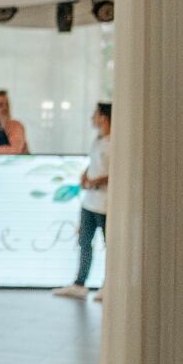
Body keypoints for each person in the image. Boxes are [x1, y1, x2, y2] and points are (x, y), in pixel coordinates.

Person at [54, 101, 111, 300]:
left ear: (104, 117)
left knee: (109, 245)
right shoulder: (97, 140)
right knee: (84, 242)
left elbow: (113, 172)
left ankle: (108, 285)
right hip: (90, 202)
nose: (92, 118)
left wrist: (97, 181)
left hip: (105, 204)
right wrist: (85, 176)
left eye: (96, 114)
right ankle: (80, 283)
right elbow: (93, 163)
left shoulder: (114, 143)